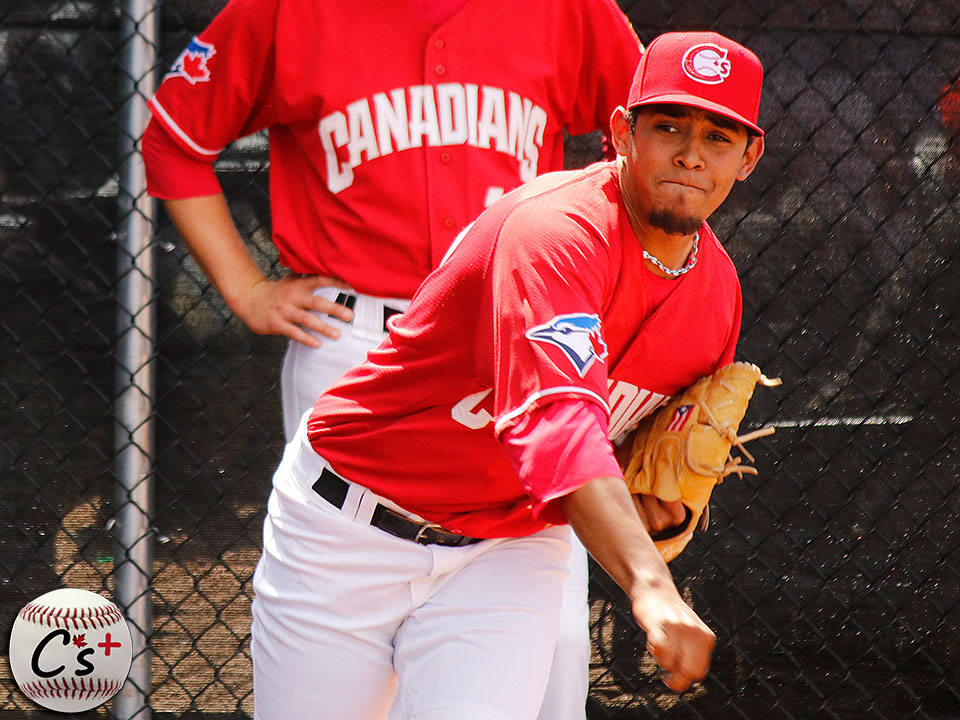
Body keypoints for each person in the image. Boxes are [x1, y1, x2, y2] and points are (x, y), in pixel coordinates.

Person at [141, 1, 642, 718]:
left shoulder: (566, 8)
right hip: (353, 342)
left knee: (550, 643)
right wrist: (247, 289)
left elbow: (653, 138)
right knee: (352, 618)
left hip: (517, 341)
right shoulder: (285, 9)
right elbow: (173, 137)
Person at [250, 30, 766, 720]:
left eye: (719, 137)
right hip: (347, 530)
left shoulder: (718, 296)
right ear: (622, 131)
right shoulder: (553, 233)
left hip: (507, 551)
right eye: (668, 126)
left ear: (749, 156)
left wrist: (659, 515)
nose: (691, 155)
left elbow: (637, 460)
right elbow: (560, 425)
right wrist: (649, 582)